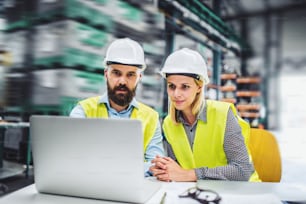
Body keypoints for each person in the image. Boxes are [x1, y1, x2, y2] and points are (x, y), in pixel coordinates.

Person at [150, 48, 260, 182]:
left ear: (199, 87)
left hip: (240, 192)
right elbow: (179, 171)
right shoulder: (169, 123)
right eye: (171, 86)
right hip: (199, 192)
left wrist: (191, 175)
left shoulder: (223, 114)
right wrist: (164, 169)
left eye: (184, 87)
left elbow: (242, 170)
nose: (176, 94)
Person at [70, 38, 165, 176]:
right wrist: (138, 168)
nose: (122, 81)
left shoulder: (151, 117)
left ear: (139, 77)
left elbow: (156, 166)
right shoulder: (83, 111)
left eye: (130, 75)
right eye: (116, 73)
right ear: (106, 74)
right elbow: (74, 159)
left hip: (133, 191)